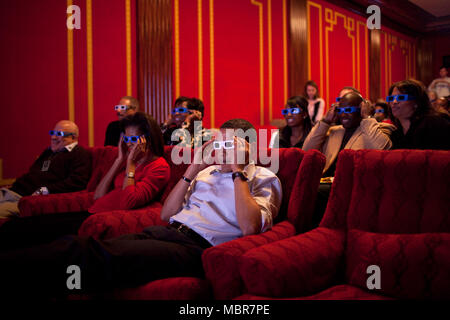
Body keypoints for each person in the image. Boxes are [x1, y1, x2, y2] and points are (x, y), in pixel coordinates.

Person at [0, 119, 282, 299]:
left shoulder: (263, 177)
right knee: (82, 244)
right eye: (219, 143)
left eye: (230, 144)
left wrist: (237, 170)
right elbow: (165, 214)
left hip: (195, 248)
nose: (222, 150)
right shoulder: (204, 173)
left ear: (248, 147)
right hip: (165, 231)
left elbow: (248, 227)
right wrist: (194, 168)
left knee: (89, 254)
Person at [0, 112, 170, 249]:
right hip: (91, 211)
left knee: (27, 234)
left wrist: (130, 166)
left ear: (148, 138)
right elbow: (98, 195)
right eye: (126, 139)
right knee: (18, 227)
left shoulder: (159, 166)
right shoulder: (128, 161)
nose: (129, 144)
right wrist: (119, 161)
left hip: (100, 219)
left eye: (133, 139)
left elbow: (128, 201)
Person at [303, 92, 395, 226]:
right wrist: (325, 121)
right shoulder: (333, 130)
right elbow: (307, 150)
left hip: (354, 184)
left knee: (313, 192)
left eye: (349, 110)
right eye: (341, 110)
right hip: (326, 181)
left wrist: (367, 118)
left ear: (362, 109)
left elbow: (382, 150)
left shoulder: (379, 128)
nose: (344, 114)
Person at [0, 120, 91, 219]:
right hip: (12, 192)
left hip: (26, 200)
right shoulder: (49, 152)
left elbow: (77, 182)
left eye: (59, 134)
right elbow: (33, 172)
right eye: (52, 133)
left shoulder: (79, 153)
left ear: (73, 137)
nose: (53, 137)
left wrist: (46, 190)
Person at [388, 79, 450, 150]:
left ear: (416, 102)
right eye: (391, 98)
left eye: (401, 97)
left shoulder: (434, 123)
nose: (394, 102)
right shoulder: (396, 135)